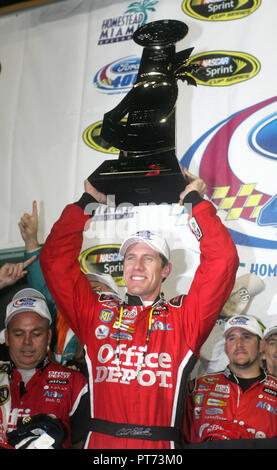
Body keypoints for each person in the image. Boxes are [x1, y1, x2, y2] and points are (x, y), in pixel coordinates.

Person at [40, 169, 239, 449]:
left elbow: (223, 260)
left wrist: (194, 202)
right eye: (130, 257)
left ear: (166, 269)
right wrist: (87, 202)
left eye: (148, 258)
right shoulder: (96, 313)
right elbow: (54, 261)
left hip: (159, 449)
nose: (136, 266)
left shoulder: (184, 318)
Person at [18, 200, 120, 366]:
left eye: (96, 289)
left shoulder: (121, 327)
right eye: (85, 287)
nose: (88, 292)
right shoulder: (61, 319)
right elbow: (45, 291)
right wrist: (31, 243)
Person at [0, 287, 89, 449]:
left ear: (48, 336)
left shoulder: (76, 384)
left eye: (36, 333)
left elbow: (83, 444)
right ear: (6, 337)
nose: (27, 342)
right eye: (19, 333)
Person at [183, 315, 277, 443]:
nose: (239, 344)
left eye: (246, 337)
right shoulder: (198, 387)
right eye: (232, 338)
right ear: (226, 347)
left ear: (261, 346)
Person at [191, 273, 265, 379]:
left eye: (245, 297)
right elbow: (210, 358)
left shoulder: (253, 326)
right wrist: (222, 318)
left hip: (247, 387)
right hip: (211, 388)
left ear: (251, 299)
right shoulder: (206, 320)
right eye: (236, 295)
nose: (236, 302)